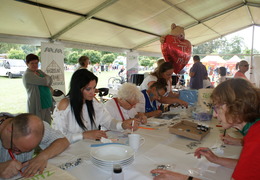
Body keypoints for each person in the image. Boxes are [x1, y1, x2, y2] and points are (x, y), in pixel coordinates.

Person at [151, 78, 260, 179]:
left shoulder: (256, 140)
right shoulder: (253, 130)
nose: (215, 115)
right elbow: (247, 166)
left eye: (217, 107)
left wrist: (182, 178)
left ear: (235, 106)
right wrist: (216, 159)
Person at [52, 69, 139, 144]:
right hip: (69, 150)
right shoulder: (65, 105)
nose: (92, 92)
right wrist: (84, 135)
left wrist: (123, 125)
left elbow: (108, 122)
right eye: (88, 89)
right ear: (77, 88)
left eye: (94, 88)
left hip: (89, 148)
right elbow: (58, 138)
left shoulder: (93, 102)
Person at [0, 113, 69, 179]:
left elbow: (63, 141)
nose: (17, 153)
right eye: (16, 148)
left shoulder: (28, 126)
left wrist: (43, 156)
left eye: (28, 150)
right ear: (9, 130)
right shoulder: (17, 127)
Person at [23, 54, 53, 124]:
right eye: (32, 63)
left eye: (36, 63)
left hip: (47, 102)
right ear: (27, 64)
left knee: (48, 124)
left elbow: (50, 80)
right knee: (38, 124)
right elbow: (45, 81)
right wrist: (46, 79)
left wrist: (46, 80)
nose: (35, 65)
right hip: (38, 104)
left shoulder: (39, 71)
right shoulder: (28, 74)